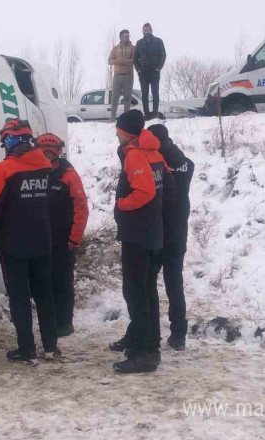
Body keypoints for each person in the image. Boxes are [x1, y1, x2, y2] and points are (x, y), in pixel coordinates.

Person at [0, 119, 60, 363]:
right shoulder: (45, 165)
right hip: (42, 240)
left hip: (14, 244)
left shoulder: (5, 170)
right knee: (44, 294)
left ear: (9, 140)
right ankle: (50, 346)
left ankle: (26, 349)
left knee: (19, 297)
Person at [110, 110, 171, 374]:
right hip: (153, 232)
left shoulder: (135, 155)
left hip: (137, 235)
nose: (116, 132)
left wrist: (122, 204)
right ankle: (145, 343)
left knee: (135, 293)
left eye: (118, 129)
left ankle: (144, 353)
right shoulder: (155, 154)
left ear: (125, 131)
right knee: (146, 292)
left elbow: (144, 190)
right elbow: (170, 189)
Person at [35, 134, 89, 337]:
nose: (47, 155)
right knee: (43, 281)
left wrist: (75, 238)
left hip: (63, 240)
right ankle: (49, 320)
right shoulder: (34, 171)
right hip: (39, 238)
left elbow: (81, 208)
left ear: (58, 152)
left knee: (63, 281)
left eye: (51, 152)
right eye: (43, 151)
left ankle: (64, 322)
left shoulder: (69, 175)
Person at [148, 124, 195, 350]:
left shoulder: (158, 162)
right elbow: (191, 166)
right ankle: (179, 334)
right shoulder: (183, 160)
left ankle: (147, 331)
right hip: (178, 231)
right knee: (174, 283)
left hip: (160, 231)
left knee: (147, 284)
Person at [133, 23, 167, 120]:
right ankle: (146, 114)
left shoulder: (158, 41)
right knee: (144, 94)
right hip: (143, 73)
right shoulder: (139, 43)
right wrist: (139, 70)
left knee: (155, 92)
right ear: (142, 31)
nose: (146, 32)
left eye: (148, 30)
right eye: (144, 30)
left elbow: (163, 55)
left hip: (155, 71)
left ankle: (155, 113)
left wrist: (158, 68)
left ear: (151, 30)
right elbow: (135, 58)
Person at [108, 29, 136, 121]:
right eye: (125, 36)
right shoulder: (115, 48)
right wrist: (117, 61)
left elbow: (134, 60)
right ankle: (112, 117)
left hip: (128, 75)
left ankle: (126, 118)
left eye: (128, 36)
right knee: (115, 96)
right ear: (120, 37)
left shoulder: (132, 47)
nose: (127, 38)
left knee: (127, 97)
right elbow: (109, 60)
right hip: (117, 76)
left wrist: (123, 62)